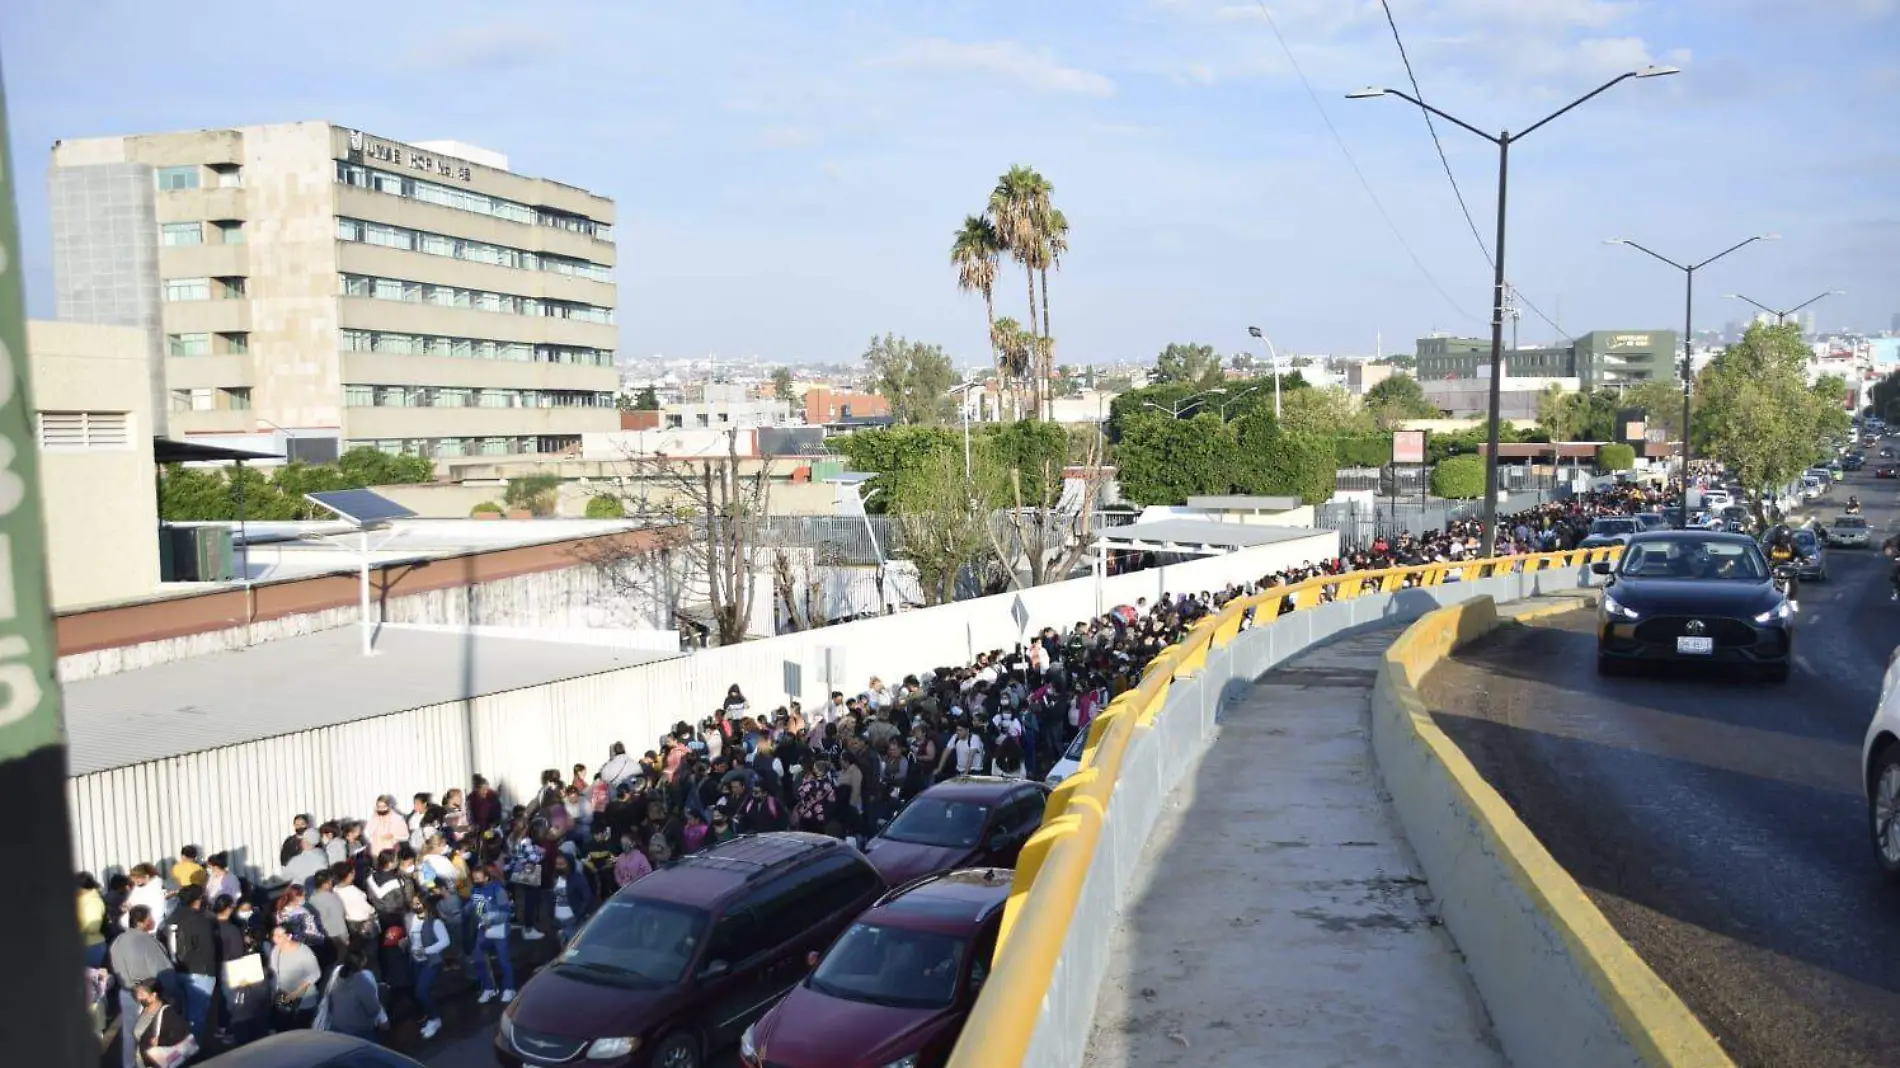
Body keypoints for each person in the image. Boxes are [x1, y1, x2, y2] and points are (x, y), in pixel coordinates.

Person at [466, 864, 518, 1004]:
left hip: (499, 929)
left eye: (479, 878)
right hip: (482, 929)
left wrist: (490, 920)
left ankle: (509, 988)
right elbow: (472, 907)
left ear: (487, 877)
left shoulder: (498, 889)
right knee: (479, 959)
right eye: (474, 878)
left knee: (503, 959)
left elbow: (506, 912)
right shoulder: (474, 890)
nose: (476, 881)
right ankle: (488, 988)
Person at [404, 895, 450, 1040]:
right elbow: (412, 938)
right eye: (414, 903)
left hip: (431, 962)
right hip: (416, 962)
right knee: (423, 991)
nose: (416, 906)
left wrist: (427, 950)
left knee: (421, 992)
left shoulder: (435, 922)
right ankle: (431, 1016)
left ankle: (434, 1019)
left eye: (418, 903)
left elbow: (445, 941)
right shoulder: (410, 919)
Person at [313, 948, 387, 1040]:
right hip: (359, 1032)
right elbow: (373, 1009)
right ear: (363, 961)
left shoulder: (336, 971)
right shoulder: (364, 979)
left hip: (336, 1028)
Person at [128, 978, 194, 1067]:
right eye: (138, 994)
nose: (139, 997)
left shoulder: (167, 1013)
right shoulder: (144, 1008)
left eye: (142, 994)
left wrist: (161, 1042)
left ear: (153, 995)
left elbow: (182, 1032)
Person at [268, 924, 321, 1032]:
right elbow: (274, 972)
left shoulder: (304, 952)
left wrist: (296, 993)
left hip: (304, 999)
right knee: (283, 1028)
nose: (275, 939)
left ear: (289, 936)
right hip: (284, 996)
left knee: (300, 1032)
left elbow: (315, 973)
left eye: (279, 936)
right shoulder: (276, 951)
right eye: (274, 935)